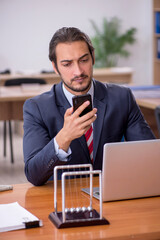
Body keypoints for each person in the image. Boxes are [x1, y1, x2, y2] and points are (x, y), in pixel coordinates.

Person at [23, 27, 155, 186]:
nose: (78, 71)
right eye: (67, 64)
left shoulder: (122, 98)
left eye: (83, 60)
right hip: (63, 197)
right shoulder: (36, 108)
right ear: (55, 67)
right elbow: (34, 175)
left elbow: (150, 156)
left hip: (111, 192)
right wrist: (64, 137)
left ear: (92, 57)